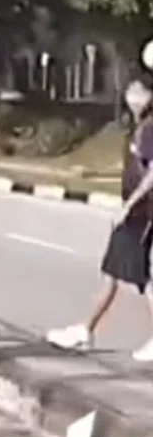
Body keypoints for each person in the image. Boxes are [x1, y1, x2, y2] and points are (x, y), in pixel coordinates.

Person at [47, 76, 153, 358]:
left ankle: (86, 330)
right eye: (130, 90)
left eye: (139, 91)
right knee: (118, 273)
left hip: (142, 213)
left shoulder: (150, 127)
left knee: (135, 277)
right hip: (137, 211)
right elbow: (136, 169)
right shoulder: (138, 127)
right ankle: (85, 329)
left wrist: (129, 206)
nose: (132, 96)